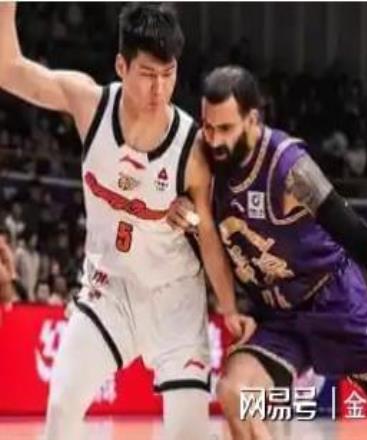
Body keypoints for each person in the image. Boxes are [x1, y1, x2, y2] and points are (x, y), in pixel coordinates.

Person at [0, 5, 254, 440]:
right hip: (108, 293)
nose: (160, 88)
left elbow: (208, 233)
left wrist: (229, 308)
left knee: (188, 436)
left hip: (175, 303)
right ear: (121, 66)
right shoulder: (90, 105)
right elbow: (9, 70)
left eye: (168, 74)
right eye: (148, 74)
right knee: (60, 409)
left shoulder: (192, 147)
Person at [167, 66, 367, 440]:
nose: (215, 139)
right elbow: (203, 233)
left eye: (226, 128)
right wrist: (178, 212)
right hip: (277, 316)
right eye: (208, 127)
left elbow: (360, 238)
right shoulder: (199, 159)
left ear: (252, 119)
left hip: (334, 302)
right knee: (235, 395)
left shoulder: (290, 170)